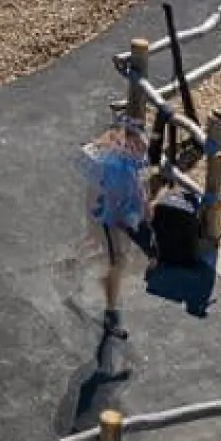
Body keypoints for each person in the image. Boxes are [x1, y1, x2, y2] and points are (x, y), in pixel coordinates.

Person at [80, 115, 149, 343]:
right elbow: (114, 203)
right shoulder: (115, 168)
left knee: (105, 249)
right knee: (118, 261)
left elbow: (139, 188)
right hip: (107, 217)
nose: (141, 149)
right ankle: (110, 313)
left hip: (108, 213)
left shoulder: (128, 159)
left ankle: (75, 264)